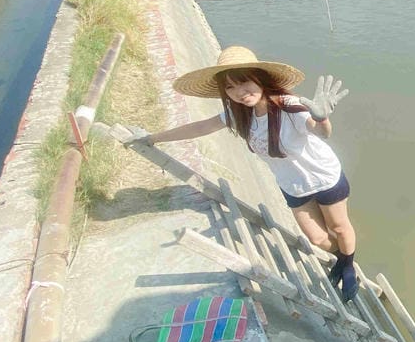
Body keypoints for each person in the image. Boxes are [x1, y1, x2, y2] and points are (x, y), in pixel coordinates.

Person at [131, 46, 360, 302]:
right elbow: (201, 126)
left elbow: (320, 131)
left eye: (244, 83)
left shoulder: (287, 105)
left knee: (339, 226)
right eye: (230, 88)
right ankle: (344, 256)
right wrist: (153, 138)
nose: (240, 93)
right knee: (317, 237)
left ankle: (349, 265)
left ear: (259, 79)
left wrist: (323, 119)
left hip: (323, 176)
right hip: (292, 184)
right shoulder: (238, 114)